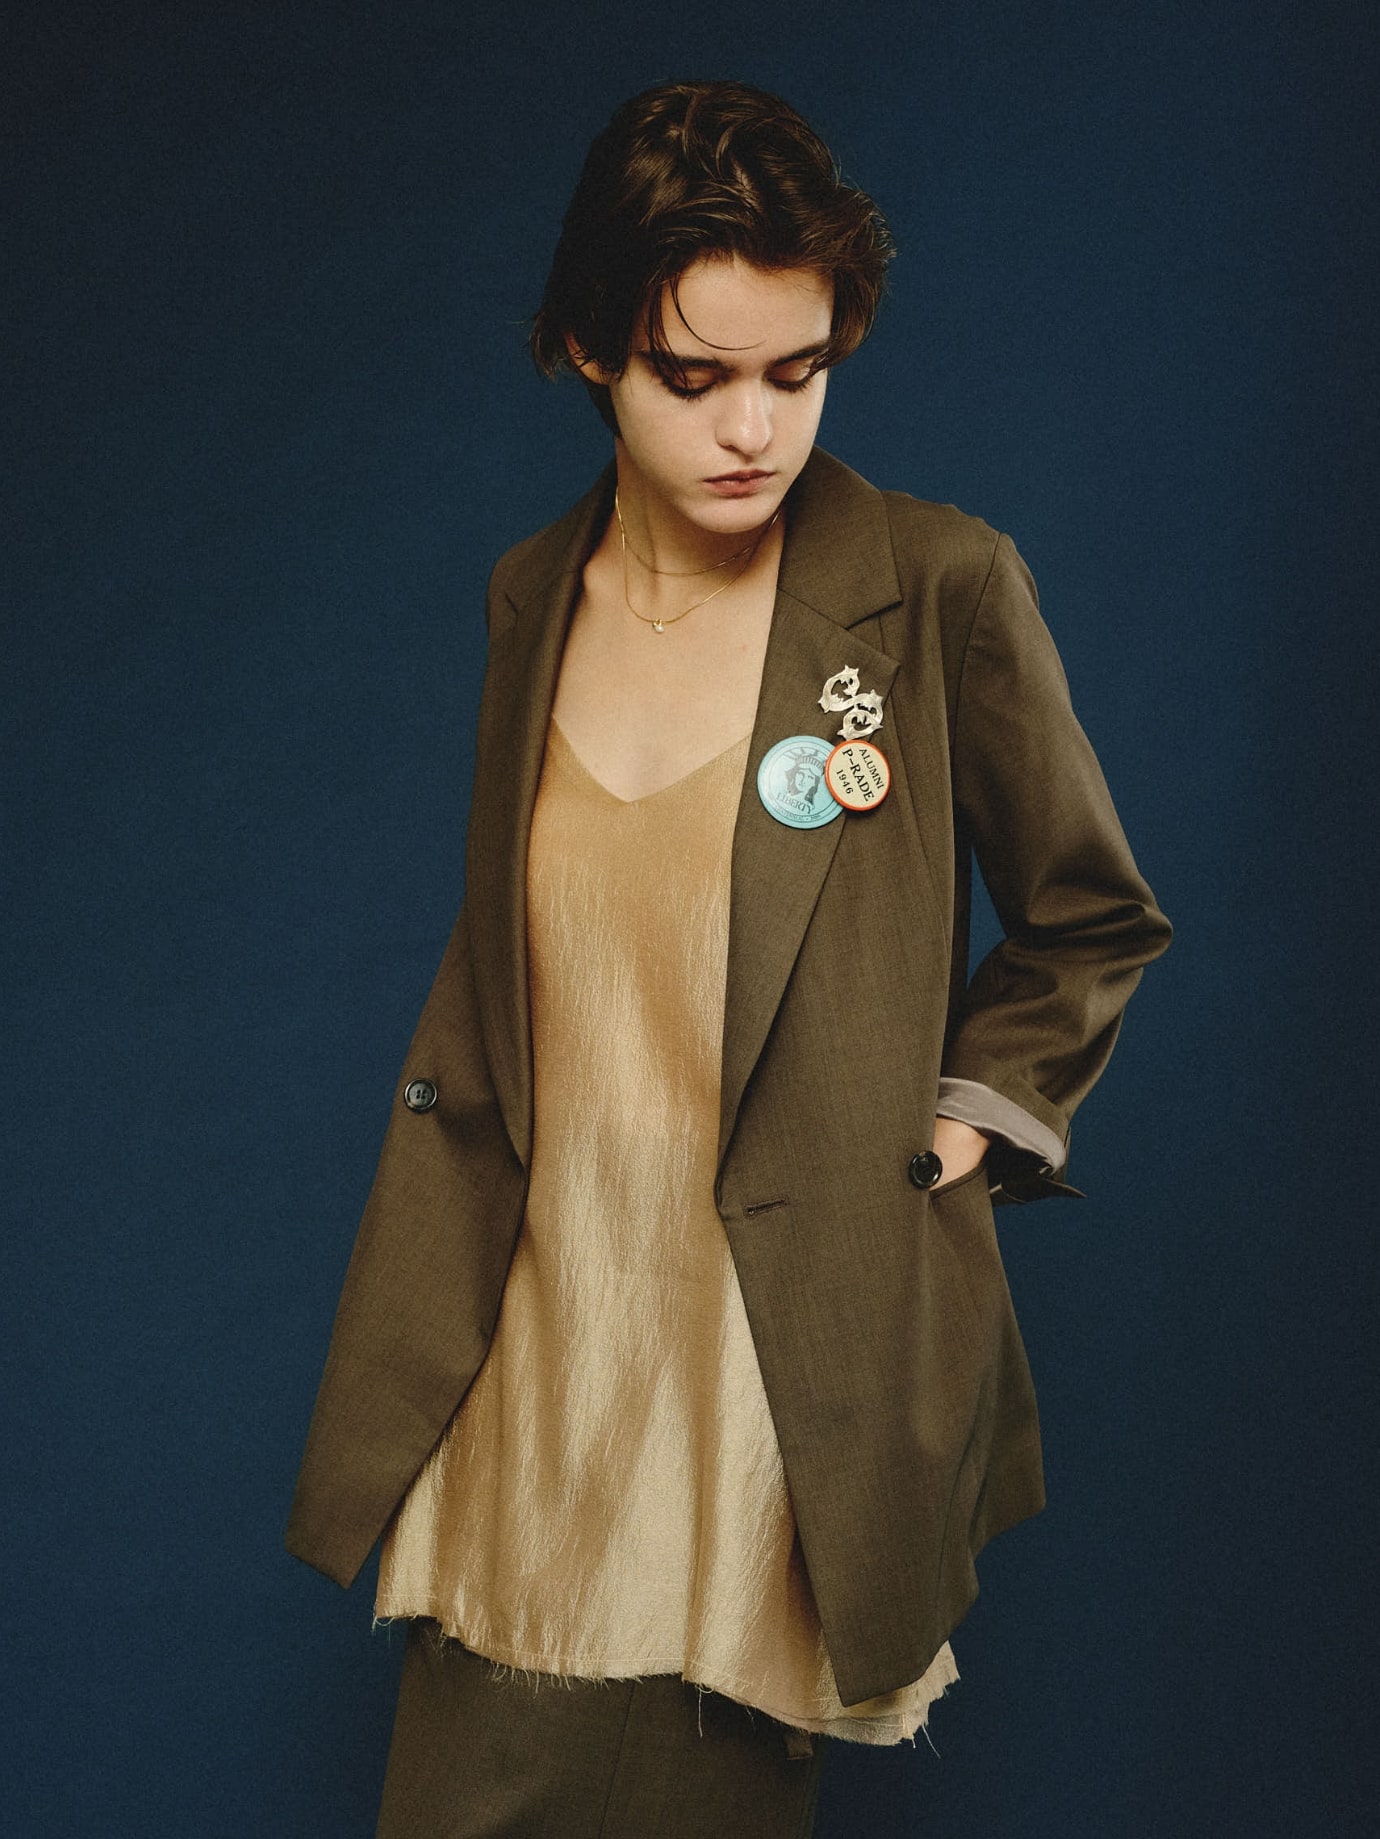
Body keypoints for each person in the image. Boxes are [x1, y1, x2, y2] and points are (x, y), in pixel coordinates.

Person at [286, 79, 1172, 1837]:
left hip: (768, 1359)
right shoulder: (530, 599)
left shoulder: (934, 589)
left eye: (799, 369)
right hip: (537, 1326)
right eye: (693, 378)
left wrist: (962, 1129)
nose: (754, 428)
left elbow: (1090, 912)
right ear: (585, 349)